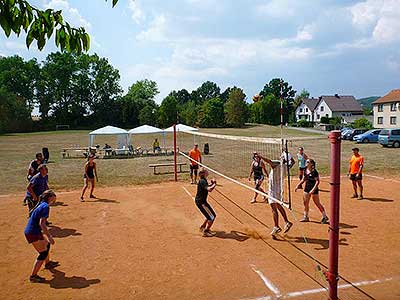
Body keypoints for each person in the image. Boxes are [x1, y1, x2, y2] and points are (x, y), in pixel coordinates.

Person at [24, 189, 58, 283]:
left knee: (46, 244)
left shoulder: (41, 203)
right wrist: (49, 236)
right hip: (33, 232)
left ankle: (48, 263)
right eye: (54, 197)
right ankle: (33, 276)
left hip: (33, 231)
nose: (54, 199)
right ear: (50, 197)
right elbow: (42, 224)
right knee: (42, 253)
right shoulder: (45, 206)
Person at [258, 154, 293, 236]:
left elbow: (269, 161)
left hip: (273, 189)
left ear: (283, 158)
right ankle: (287, 222)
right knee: (278, 205)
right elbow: (293, 162)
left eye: (282, 156)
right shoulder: (287, 166)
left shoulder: (276, 164)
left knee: (273, 208)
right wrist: (288, 155)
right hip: (279, 189)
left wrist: (260, 156)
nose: (280, 157)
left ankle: (276, 226)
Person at [295, 159, 329, 224]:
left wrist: (313, 190)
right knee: (305, 203)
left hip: (314, 189)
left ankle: (325, 216)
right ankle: (306, 217)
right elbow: (303, 179)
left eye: (308, 162)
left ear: (311, 164)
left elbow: (317, 181)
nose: (306, 163)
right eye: (306, 162)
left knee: (317, 203)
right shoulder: (305, 169)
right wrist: (298, 185)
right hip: (307, 188)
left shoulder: (314, 172)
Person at [195, 169, 217, 237]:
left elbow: (207, 186)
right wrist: (215, 184)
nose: (208, 172)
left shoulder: (203, 180)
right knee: (212, 217)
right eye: (206, 171)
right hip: (201, 202)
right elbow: (209, 189)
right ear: (203, 173)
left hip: (201, 201)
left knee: (210, 215)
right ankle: (206, 231)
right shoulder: (202, 181)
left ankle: (203, 227)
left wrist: (212, 184)